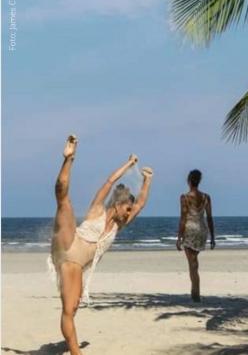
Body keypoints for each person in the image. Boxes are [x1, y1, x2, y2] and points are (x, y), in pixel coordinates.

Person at [48, 135, 153, 355]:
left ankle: (74, 349)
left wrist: (147, 180)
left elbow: (141, 204)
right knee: (63, 199)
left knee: (70, 309)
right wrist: (129, 164)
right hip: (70, 241)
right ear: (118, 204)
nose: (129, 214)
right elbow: (109, 182)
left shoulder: (119, 225)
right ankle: (68, 158)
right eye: (127, 209)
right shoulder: (98, 209)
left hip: (75, 262)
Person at [176, 169, 215, 302]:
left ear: (188, 181)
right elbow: (209, 218)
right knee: (194, 261)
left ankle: (195, 292)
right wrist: (213, 237)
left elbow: (183, 218)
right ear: (199, 181)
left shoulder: (185, 197)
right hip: (202, 230)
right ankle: (194, 291)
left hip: (190, 230)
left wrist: (179, 237)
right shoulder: (206, 197)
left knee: (192, 264)